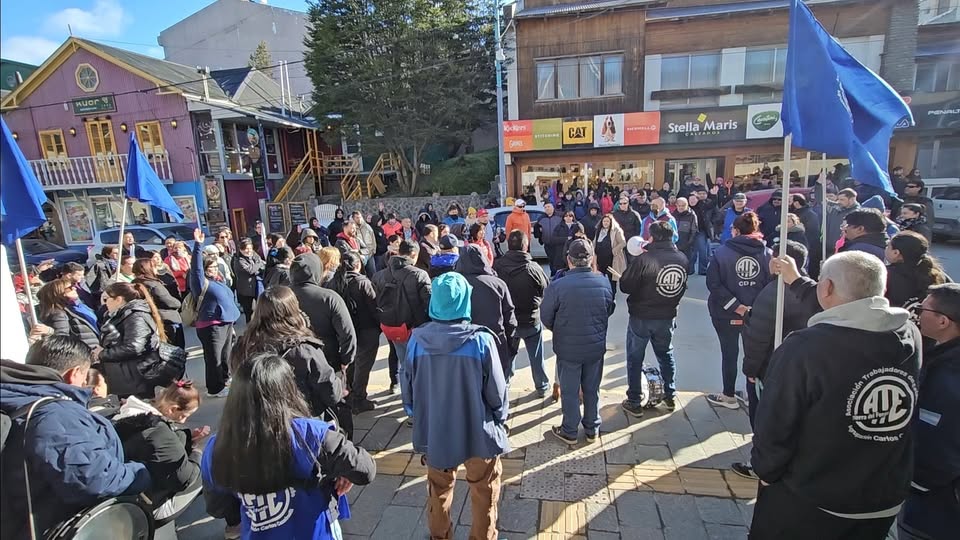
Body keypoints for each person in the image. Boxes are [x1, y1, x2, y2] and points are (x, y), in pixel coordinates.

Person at [750, 251, 920, 538]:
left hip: (812, 499)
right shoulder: (908, 333)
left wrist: (765, 471)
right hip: (882, 494)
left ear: (826, 287)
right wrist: (798, 281)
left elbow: (776, 423)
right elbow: (852, 311)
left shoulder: (805, 348)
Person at [201, 353, 376, 540]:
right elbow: (366, 469)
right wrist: (342, 471)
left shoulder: (217, 446)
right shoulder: (310, 434)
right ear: (288, 390)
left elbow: (218, 506)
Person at [0, 337, 152, 538]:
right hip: (56, 529)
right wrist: (140, 472)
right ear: (74, 374)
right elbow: (94, 480)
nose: (84, 384)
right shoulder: (56, 414)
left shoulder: (15, 398)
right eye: (84, 377)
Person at [401, 272, 509, 540]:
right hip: (478, 429)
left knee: (438, 488)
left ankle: (439, 535)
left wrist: (418, 415)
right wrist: (500, 418)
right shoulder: (481, 340)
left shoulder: (416, 340)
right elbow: (497, 392)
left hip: (436, 431)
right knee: (484, 489)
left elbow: (409, 392)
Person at [733, 241, 818, 480]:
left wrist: (750, 370)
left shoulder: (775, 293)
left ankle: (760, 464)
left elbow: (758, 337)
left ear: (782, 262)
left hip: (770, 367)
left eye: (772, 257)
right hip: (800, 367)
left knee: (763, 418)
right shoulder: (811, 290)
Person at [899, 284, 960, 539]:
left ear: (943, 321)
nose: (915, 314)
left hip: (936, 509)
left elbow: (940, 441)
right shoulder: (943, 358)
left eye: (922, 309)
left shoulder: (949, 375)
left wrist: (917, 482)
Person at [231, 286, 345, 422]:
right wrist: (341, 382)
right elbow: (331, 393)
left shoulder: (242, 346)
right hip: (298, 421)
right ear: (293, 310)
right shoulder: (305, 350)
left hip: (254, 421)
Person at [541, 239, 615, 445]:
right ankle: (592, 429)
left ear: (569, 260)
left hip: (568, 347)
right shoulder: (603, 282)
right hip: (595, 346)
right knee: (592, 388)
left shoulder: (558, 286)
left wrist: (560, 328)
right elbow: (609, 309)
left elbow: (546, 316)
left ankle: (570, 430)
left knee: (570, 391)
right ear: (591, 259)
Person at [619, 221, 689, 417]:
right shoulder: (682, 258)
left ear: (652, 237)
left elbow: (626, 285)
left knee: (635, 357)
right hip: (667, 314)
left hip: (642, 314)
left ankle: (634, 400)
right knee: (666, 354)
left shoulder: (645, 259)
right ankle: (669, 395)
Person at [706, 212, 773, 410]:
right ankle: (752, 394)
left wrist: (736, 306)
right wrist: (754, 307)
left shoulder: (721, 253)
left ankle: (729, 395)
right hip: (757, 313)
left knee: (729, 353)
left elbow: (713, 284)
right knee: (756, 353)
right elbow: (771, 284)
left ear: (735, 230)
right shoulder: (767, 254)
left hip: (726, 312)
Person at [112, 379, 205, 520]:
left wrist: (188, 436)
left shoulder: (136, 414)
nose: (184, 420)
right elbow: (184, 479)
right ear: (172, 409)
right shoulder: (159, 433)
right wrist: (197, 452)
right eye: (184, 415)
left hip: (124, 492)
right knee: (203, 470)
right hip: (144, 506)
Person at [494, 230, 551, 397]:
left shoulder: (497, 267)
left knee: (507, 356)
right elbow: (546, 291)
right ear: (526, 246)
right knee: (536, 356)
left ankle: (504, 385)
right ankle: (542, 386)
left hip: (507, 321)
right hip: (530, 320)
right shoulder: (534, 268)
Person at [373, 240, 432, 390]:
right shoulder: (419, 275)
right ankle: (418, 396)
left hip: (391, 327)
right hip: (415, 328)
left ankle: (406, 395)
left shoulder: (379, 276)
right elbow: (428, 302)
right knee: (419, 367)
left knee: (404, 364)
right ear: (413, 254)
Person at [191, 229, 241, 398]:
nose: (213, 269)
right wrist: (198, 245)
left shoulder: (217, 281)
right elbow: (196, 268)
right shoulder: (200, 282)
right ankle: (215, 388)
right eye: (210, 267)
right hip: (211, 325)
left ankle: (225, 379)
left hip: (225, 323)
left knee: (225, 355)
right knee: (214, 358)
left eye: (214, 266)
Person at [456, 245, 518, 380]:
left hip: (463, 347)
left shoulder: (455, 284)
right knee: (497, 384)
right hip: (495, 344)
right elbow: (510, 320)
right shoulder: (497, 284)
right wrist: (510, 347)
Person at [289, 252, 357, 375]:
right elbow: (347, 333)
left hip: (290, 363)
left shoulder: (282, 297)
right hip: (327, 362)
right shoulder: (329, 298)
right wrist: (346, 360)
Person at [329, 252, 380, 413]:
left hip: (344, 331)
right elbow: (374, 307)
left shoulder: (333, 282)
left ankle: (349, 394)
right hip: (366, 329)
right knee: (363, 365)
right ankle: (359, 398)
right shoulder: (362, 282)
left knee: (350, 362)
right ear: (358, 264)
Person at [98, 281, 166, 399]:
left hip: (135, 378)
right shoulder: (122, 314)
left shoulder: (135, 316)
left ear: (118, 299)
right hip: (127, 376)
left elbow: (135, 347)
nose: (104, 304)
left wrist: (103, 353)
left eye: (106, 299)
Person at [885, 231, 950, 308]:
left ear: (896, 253)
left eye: (888, 246)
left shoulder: (885, 274)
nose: (886, 248)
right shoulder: (937, 273)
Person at [133, 258, 185, 349]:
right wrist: (179, 303)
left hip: (151, 319)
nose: (156, 268)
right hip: (166, 319)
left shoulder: (134, 284)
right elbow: (169, 302)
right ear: (148, 269)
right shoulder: (153, 285)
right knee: (175, 347)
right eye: (154, 267)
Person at [38, 278, 100, 350]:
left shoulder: (77, 307)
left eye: (73, 286)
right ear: (59, 293)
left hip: (93, 349)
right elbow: (61, 338)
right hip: (84, 351)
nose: (74, 288)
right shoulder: (58, 314)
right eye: (70, 288)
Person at [232, 238, 265, 323]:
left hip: (257, 287)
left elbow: (260, 264)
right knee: (249, 311)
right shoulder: (238, 260)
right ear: (241, 249)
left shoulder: (254, 254)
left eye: (250, 248)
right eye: (246, 249)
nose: (249, 251)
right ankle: (249, 326)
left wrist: (257, 266)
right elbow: (250, 270)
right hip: (245, 290)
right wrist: (259, 264)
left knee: (262, 308)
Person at [594, 214, 627, 295]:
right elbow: (594, 243)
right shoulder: (599, 231)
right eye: (604, 221)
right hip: (600, 259)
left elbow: (623, 242)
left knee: (611, 280)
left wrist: (614, 250)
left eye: (607, 221)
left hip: (612, 259)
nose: (605, 223)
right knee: (601, 279)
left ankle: (612, 296)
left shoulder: (616, 230)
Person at [823, 188, 861, 256]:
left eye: (842, 199)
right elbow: (821, 199)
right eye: (838, 199)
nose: (839, 201)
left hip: (844, 250)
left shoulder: (857, 214)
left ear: (852, 199)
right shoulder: (836, 207)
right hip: (829, 248)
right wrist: (819, 184)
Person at [688, 191, 718, 275]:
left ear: (697, 199)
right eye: (690, 200)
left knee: (702, 250)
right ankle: (690, 269)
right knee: (692, 252)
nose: (692, 201)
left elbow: (713, 204)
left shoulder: (703, 205)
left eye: (694, 199)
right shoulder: (687, 208)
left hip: (700, 231)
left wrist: (714, 195)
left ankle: (703, 269)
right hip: (689, 232)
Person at [535, 203, 564, 275]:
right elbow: (537, 230)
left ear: (553, 207)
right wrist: (539, 235)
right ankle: (553, 274)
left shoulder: (560, 216)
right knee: (551, 259)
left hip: (558, 243)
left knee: (558, 260)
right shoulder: (541, 218)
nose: (547, 208)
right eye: (545, 207)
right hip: (547, 243)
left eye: (549, 206)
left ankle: (559, 274)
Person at [673, 197, 699, 264]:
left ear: (687, 205)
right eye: (679, 205)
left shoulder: (692, 215)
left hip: (687, 246)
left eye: (683, 205)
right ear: (676, 205)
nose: (681, 207)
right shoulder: (673, 215)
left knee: (687, 265)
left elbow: (694, 231)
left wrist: (689, 243)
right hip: (674, 245)